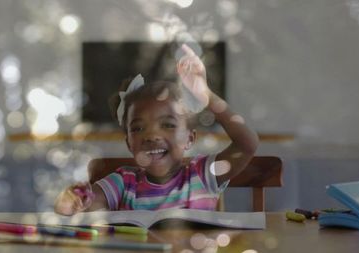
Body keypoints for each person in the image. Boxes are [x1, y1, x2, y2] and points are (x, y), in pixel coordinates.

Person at [54, 44, 259, 215]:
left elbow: (247, 144)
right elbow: (82, 205)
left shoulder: (203, 174)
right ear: (128, 143)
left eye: (168, 125)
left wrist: (207, 96)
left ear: (189, 138)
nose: (152, 136)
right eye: (138, 128)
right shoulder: (122, 183)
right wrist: (73, 201)